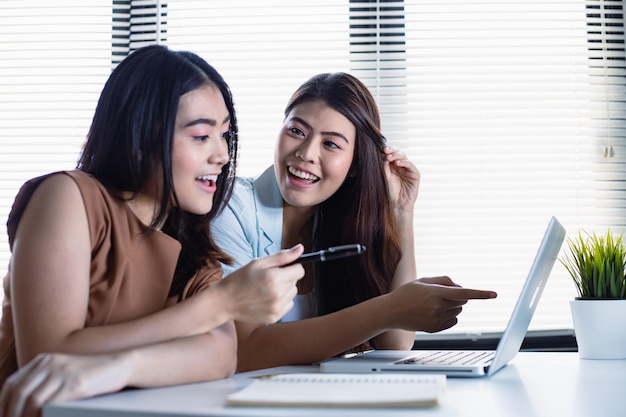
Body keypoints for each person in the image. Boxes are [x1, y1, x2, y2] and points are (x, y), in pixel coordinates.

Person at [0, 45, 305, 417]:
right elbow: (47, 358)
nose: (222, 155)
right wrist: (218, 304)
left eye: (224, 135)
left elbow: (221, 355)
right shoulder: (67, 197)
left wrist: (120, 366)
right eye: (200, 136)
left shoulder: (190, 241)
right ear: (142, 135)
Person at [211, 72, 497, 372]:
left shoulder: (341, 220)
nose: (306, 153)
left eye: (331, 144)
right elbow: (243, 350)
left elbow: (396, 342)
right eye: (296, 130)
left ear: (355, 166)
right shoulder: (229, 207)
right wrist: (390, 308)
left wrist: (402, 212)